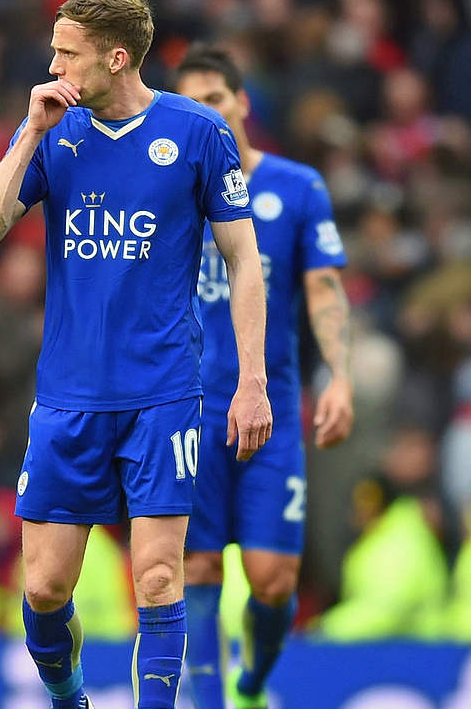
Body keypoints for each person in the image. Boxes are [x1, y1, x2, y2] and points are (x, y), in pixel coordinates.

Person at [0, 0, 272, 709]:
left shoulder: (195, 132)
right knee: (43, 588)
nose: (54, 64)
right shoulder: (56, 131)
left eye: (67, 53)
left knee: (159, 576)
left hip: (163, 392)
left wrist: (250, 379)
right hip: (69, 396)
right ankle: (70, 699)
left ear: (117, 56)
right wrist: (31, 133)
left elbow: (244, 258)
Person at [173, 44, 354, 709]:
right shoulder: (169, 192)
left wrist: (338, 374)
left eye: (215, 99)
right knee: (196, 565)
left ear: (241, 103)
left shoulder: (296, 187)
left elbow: (326, 286)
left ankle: (252, 680)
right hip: (188, 409)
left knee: (273, 579)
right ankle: (213, 702)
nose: (206, 112)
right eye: (190, 102)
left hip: (271, 408)